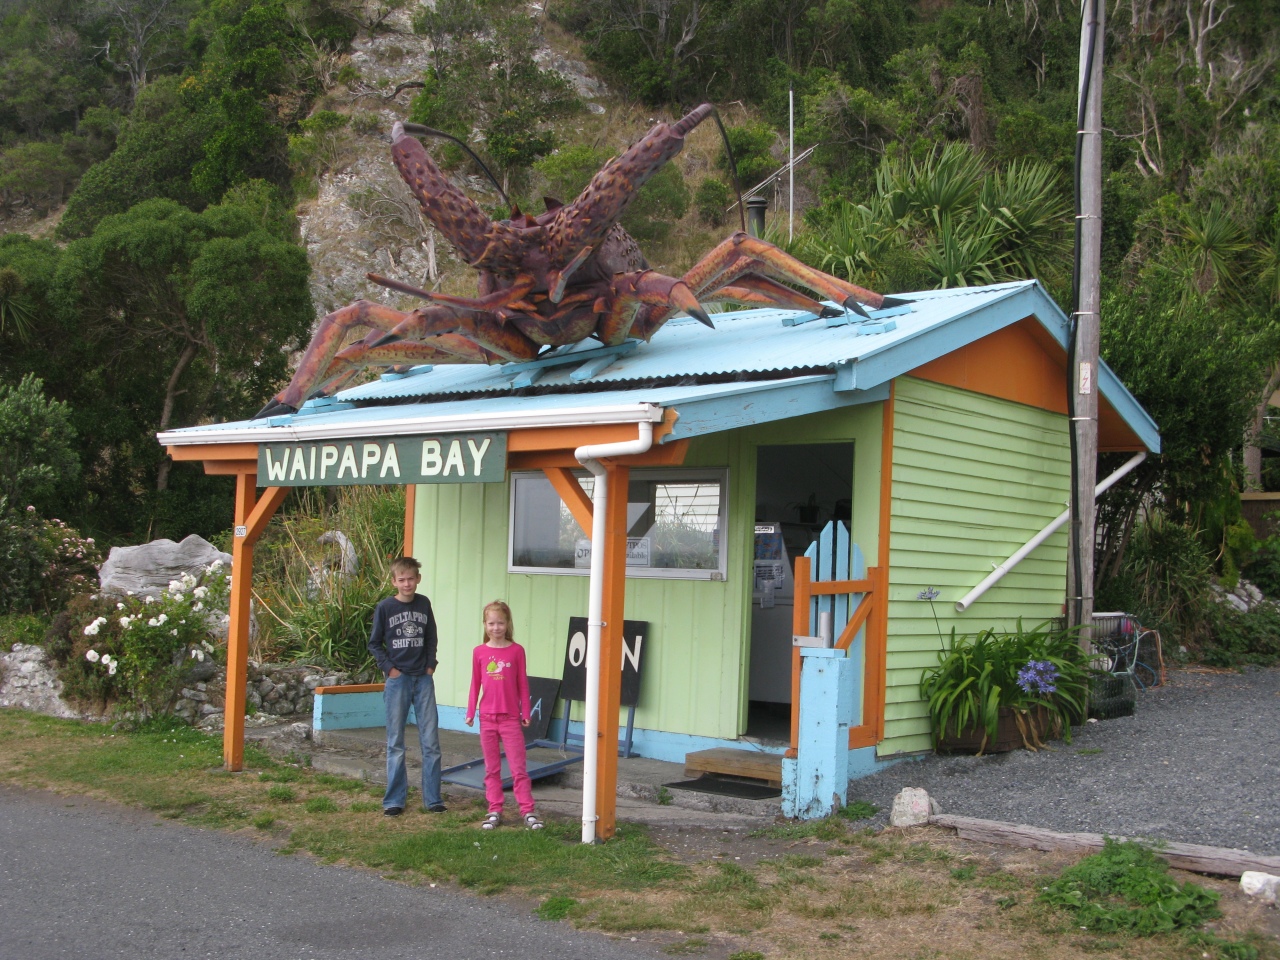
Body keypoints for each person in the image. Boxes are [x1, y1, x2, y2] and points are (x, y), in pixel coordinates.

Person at [368, 556, 445, 817]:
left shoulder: (424, 604)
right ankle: (394, 800)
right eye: (401, 580)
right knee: (395, 743)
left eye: (411, 578)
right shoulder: (385, 608)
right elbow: (374, 643)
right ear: (394, 582)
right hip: (397, 681)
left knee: (431, 741)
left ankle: (433, 799)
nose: (407, 584)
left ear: (418, 579)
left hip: (423, 679)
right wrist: (390, 669)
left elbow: (431, 636)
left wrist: (430, 665)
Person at [464, 600, 543, 830]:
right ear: (485, 624)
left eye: (500, 623)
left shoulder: (516, 650)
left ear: (507, 624)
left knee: (518, 767)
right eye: (491, 623)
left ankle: (527, 810)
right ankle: (494, 809)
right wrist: (471, 712)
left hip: (510, 718)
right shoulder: (479, 652)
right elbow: (474, 684)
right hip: (487, 718)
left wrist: (525, 712)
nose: (496, 628)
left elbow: (523, 684)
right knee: (492, 768)